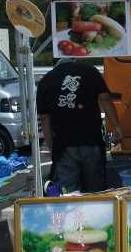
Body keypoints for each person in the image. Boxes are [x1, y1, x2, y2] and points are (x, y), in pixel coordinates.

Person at [36, 60, 123, 193]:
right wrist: (116, 127)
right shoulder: (89, 71)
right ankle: (96, 212)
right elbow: (105, 98)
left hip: (64, 146)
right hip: (91, 141)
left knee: (68, 192)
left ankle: (71, 212)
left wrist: (51, 146)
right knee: (96, 190)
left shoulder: (46, 81)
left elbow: (44, 118)